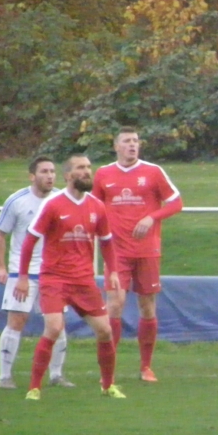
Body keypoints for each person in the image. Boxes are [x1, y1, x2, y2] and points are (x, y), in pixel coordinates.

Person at [14, 155, 125, 400]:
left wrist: (114, 271)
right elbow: (30, 240)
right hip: (54, 278)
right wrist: (22, 276)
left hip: (83, 280)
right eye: (81, 168)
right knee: (54, 327)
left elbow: (107, 242)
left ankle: (108, 386)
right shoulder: (53, 204)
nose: (87, 171)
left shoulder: (97, 206)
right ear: (67, 175)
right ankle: (34, 387)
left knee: (105, 331)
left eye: (88, 167)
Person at [91, 126, 182, 382]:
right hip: (116, 251)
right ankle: (109, 368)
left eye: (135, 141)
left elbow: (176, 202)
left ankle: (145, 367)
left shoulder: (153, 172)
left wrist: (152, 217)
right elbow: (93, 207)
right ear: (116, 146)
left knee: (147, 306)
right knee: (115, 303)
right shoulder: (103, 174)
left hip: (147, 250)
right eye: (127, 141)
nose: (132, 145)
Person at [0, 157, 74, 389]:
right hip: (23, 273)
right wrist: (1, 267)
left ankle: (56, 375)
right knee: (17, 320)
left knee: (57, 324)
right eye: (44, 171)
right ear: (32, 176)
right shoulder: (17, 201)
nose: (50, 176)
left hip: (54, 273)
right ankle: (5, 376)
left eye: (52, 171)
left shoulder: (62, 199)